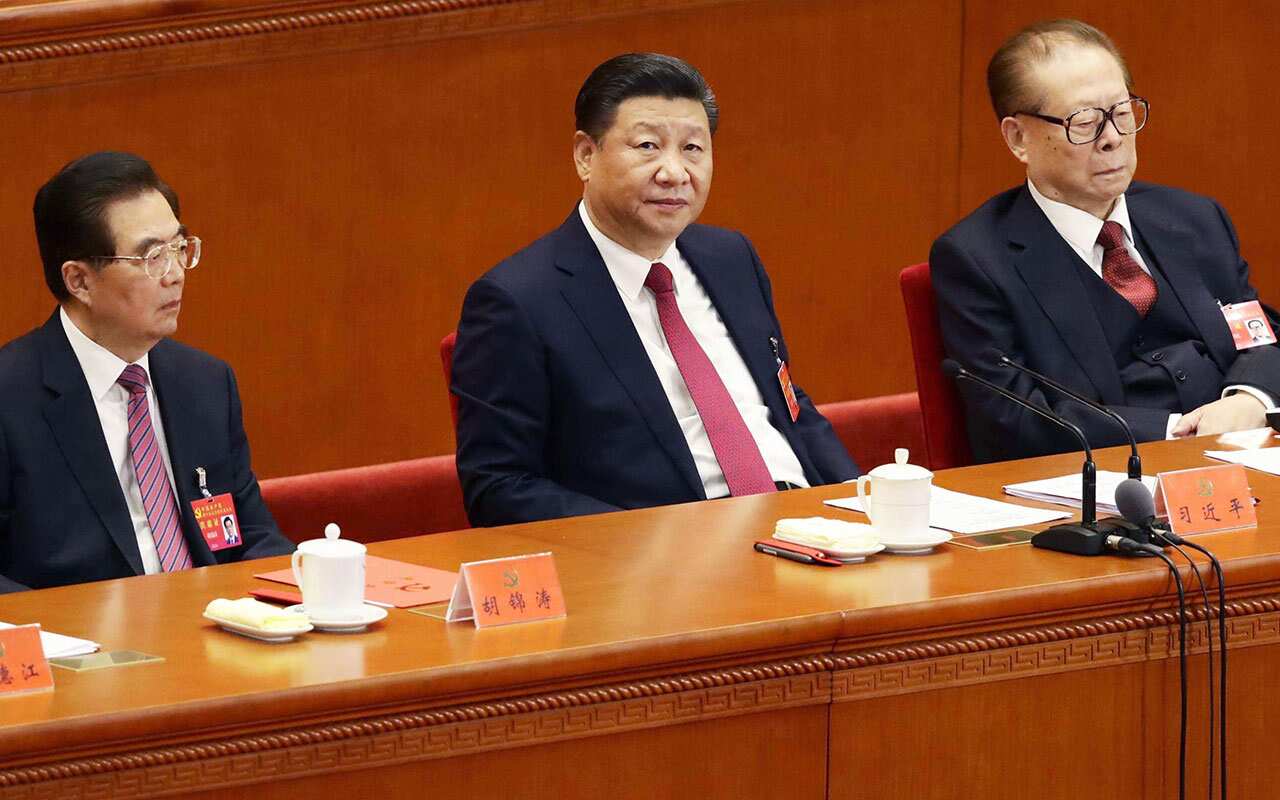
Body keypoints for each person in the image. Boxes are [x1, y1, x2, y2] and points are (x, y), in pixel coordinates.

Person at [452, 53, 858, 526]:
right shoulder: (518, 301)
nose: (675, 173)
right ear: (586, 155)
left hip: (812, 528)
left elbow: (787, 404)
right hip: (668, 557)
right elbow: (500, 485)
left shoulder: (731, 258)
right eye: (648, 146)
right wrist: (652, 544)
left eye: (693, 149)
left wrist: (862, 499)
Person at [930, 19, 1280, 463]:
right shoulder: (978, 259)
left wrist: (1248, 399)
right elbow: (1012, 413)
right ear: (1018, 138)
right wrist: (1177, 431)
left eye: (1122, 112)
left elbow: (1256, 333)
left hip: (1245, 456)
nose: (1113, 139)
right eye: (1086, 122)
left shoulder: (1194, 219)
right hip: (1105, 486)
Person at [0, 151, 294, 594]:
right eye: (152, 256)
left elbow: (250, 537)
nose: (175, 274)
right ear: (79, 281)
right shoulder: (11, 397)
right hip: (84, 649)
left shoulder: (205, 383)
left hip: (217, 636)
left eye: (179, 248)